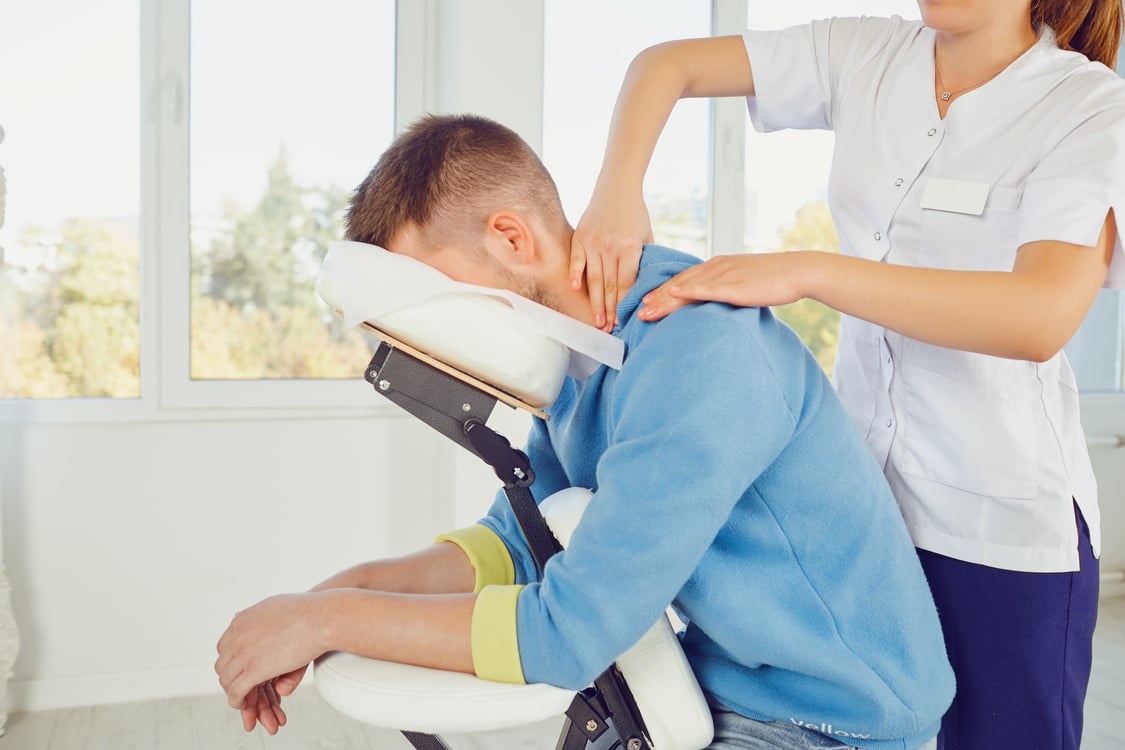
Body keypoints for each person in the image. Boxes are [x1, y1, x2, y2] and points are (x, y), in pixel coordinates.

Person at [215, 114, 954, 749]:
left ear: (510, 237)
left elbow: (566, 635)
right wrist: (321, 602)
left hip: (834, 721)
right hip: (728, 680)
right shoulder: (581, 362)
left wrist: (326, 619)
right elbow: (520, 543)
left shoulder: (696, 352)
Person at [568, 2, 1125, 748]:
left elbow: (1038, 317)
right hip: (866, 510)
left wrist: (808, 271)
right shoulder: (864, 52)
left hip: (999, 531)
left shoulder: (1085, 106)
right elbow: (665, 64)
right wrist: (616, 190)